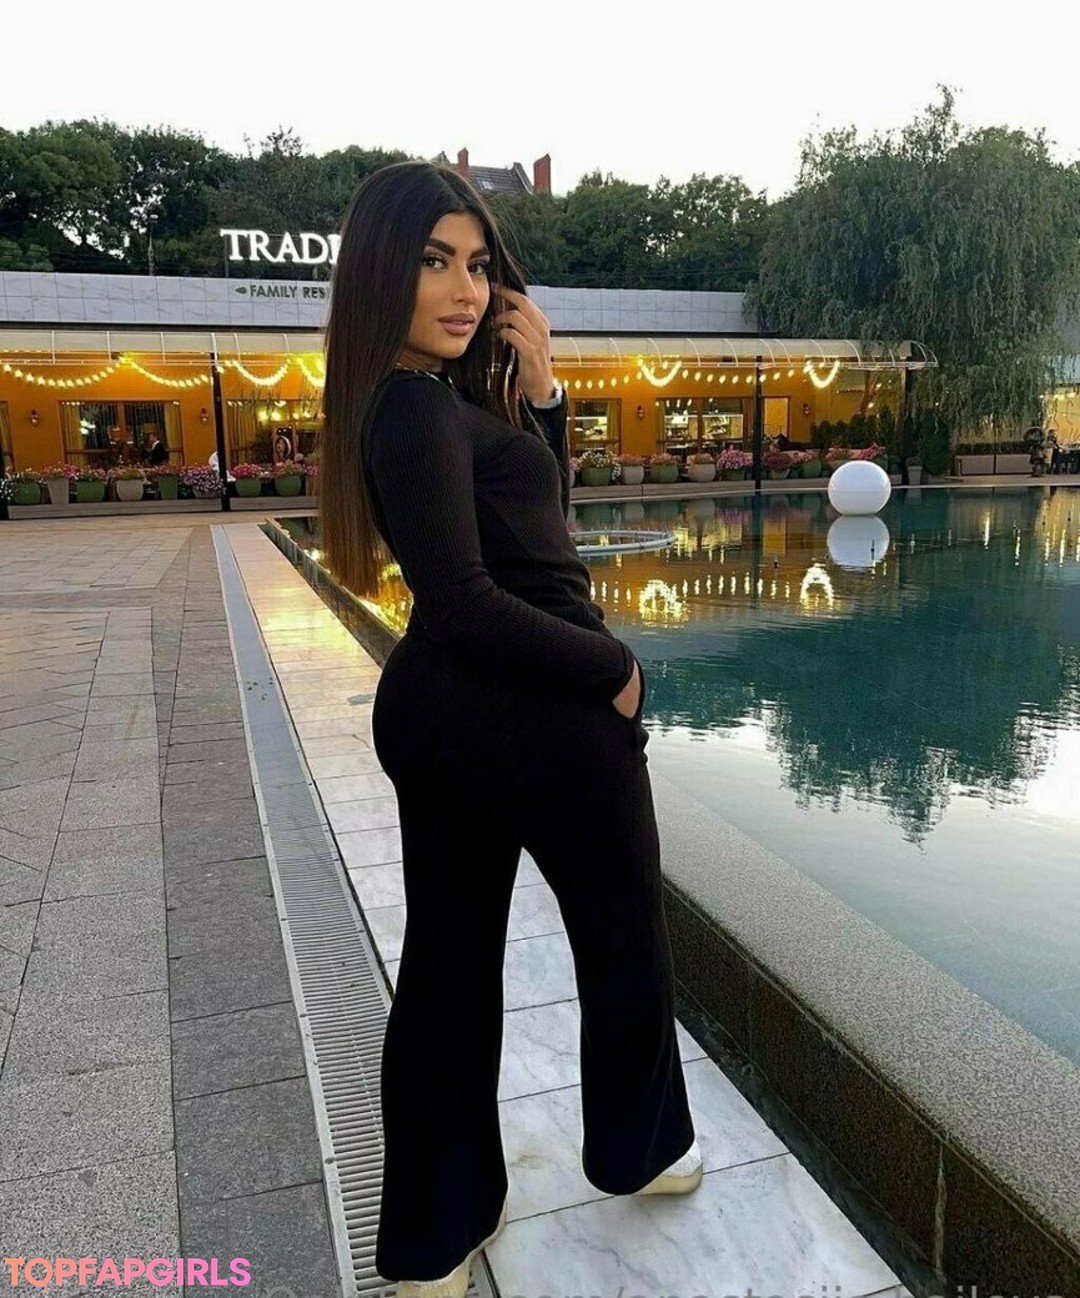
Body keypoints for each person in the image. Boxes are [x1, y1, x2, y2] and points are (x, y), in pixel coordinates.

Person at [319, 162, 699, 1298]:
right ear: (382, 270)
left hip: (453, 716)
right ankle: (638, 1151)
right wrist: (617, 668)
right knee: (622, 935)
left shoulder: (437, 401)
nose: (465, 289)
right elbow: (470, 599)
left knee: (448, 974)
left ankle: (435, 1236)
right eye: (434, 261)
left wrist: (543, 399)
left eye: (478, 265)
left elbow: (537, 537)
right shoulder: (414, 405)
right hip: (530, 711)